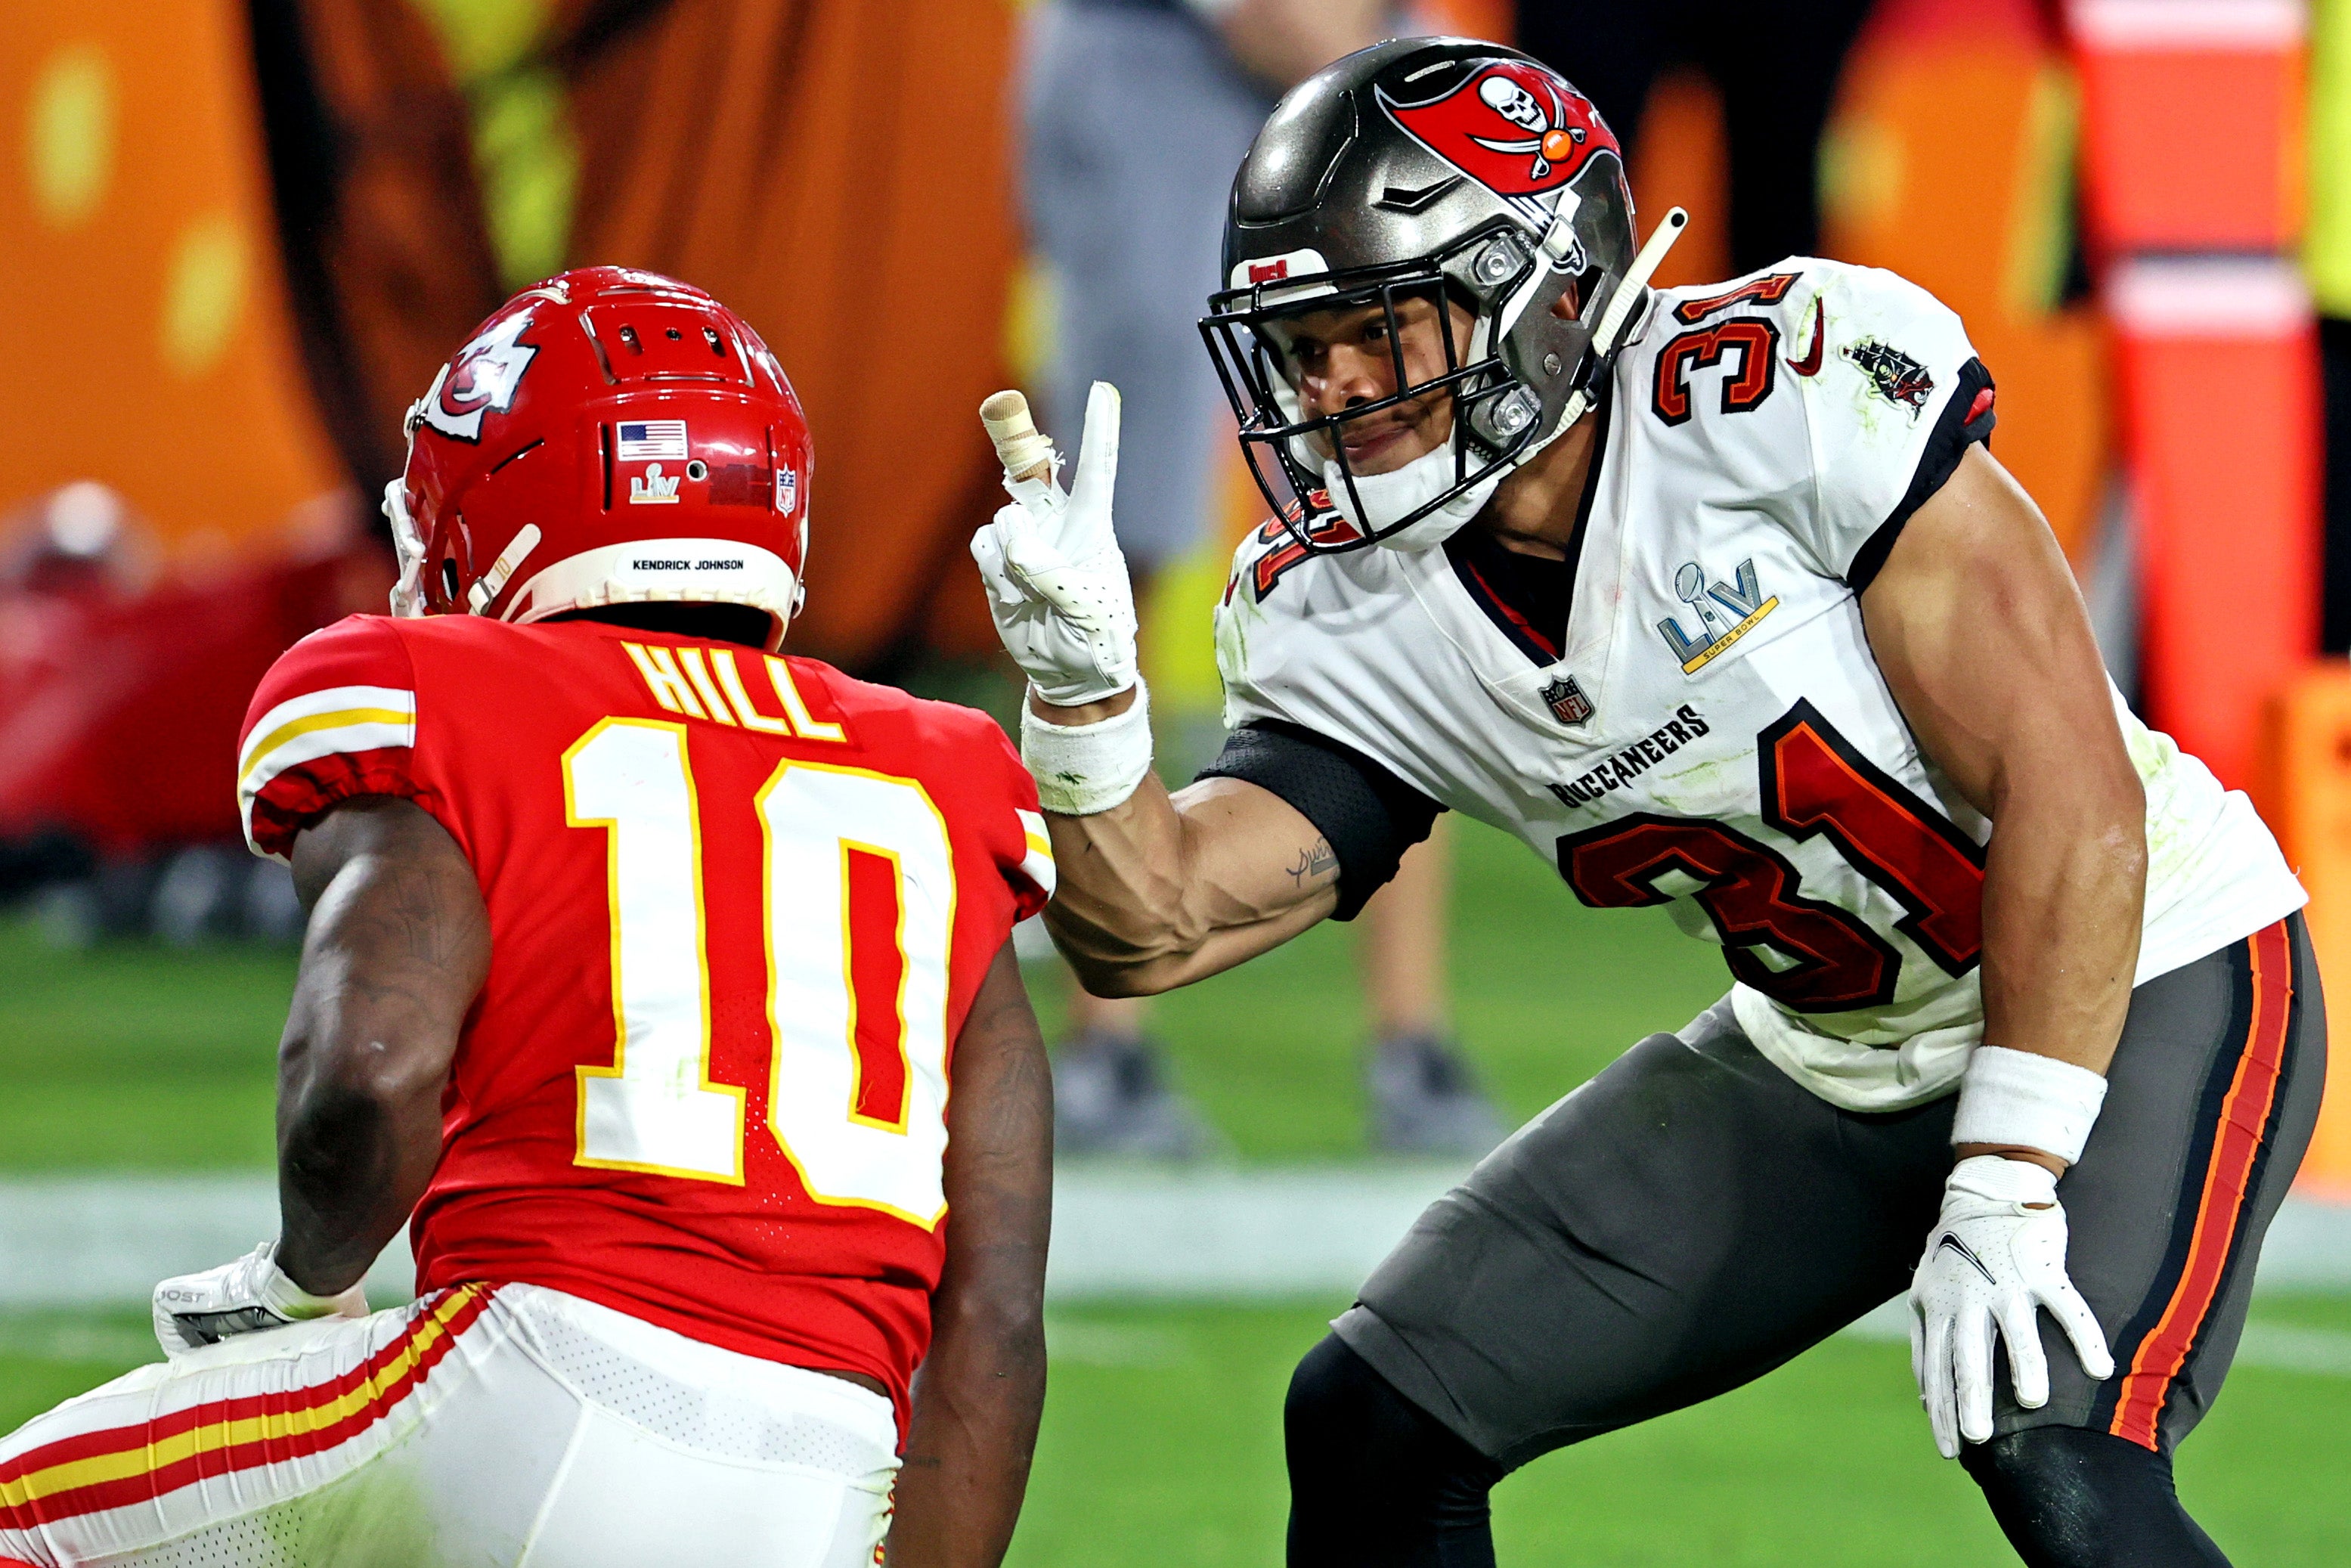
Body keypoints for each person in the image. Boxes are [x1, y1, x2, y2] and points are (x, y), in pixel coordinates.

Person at [971, 39, 2321, 1568]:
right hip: (1834, 1049)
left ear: (1545, 295)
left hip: (2136, 964)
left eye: (1371, 327)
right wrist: (1084, 698)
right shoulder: (1352, 604)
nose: (1329, 387)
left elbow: (2072, 796)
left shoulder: (1786, 394)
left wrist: (2007, 1176)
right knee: (1376, 1410)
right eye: (1300, 343)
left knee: (2058, 1445)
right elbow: (1145, 927)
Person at [0, 268, 1055, 1568]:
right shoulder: (944, 769)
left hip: (528, 1373)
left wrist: (304, 1282)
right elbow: (995, 1317)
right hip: (829, 1467)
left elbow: (373, 1064)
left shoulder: (429, 682)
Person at [1023, 0, 1502, 1157]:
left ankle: (1412, 1044)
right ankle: (1104, 1048)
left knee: (1410, 500)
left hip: (1361, 38)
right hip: (1163, 42)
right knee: (1111, 533)